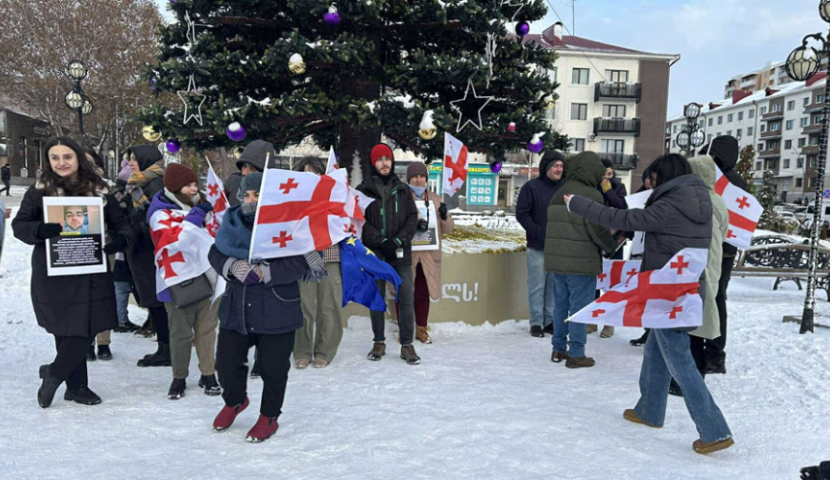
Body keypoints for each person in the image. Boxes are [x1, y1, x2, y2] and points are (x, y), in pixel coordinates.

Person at [565, 153, 734, 454]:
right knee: (656, 351)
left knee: (680, 361)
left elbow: (623, 219)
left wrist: (577, 203)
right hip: (682, 289)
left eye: (652, 179)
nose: (649, 184)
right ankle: (650, 410)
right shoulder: (698, 197)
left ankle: (714, 431)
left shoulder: (671, 204)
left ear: (664, 176)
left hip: (669, 294)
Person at [12, 137, 132, 408]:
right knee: (65, 329)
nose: (61, 163)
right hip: (53, 271)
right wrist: (38, 231)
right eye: (55, 158)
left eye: (67, 156)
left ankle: (54, 374)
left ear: (78, 158)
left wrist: (121, 240)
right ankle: (76, 387)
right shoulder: (39, 190)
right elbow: (20, 225)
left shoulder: (100, 190)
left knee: (86, 328)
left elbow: (122, 223)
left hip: (91, 269)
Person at [209, 172, 316, 443]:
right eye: (246, 195)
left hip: (277, 309)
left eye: (256, 195)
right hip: (237, 309)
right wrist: (232, 266)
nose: (249, 200)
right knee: (225, 362)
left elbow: (302, 261)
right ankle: (235, 401)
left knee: (273, 369)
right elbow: (215, 252)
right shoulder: (230, 222)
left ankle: (269, 416)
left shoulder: (289, 223)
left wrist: (266, 271)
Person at [147, 162, 221, 399]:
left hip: (209, 277)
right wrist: (197, 217)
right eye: (188, 186)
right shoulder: (159, 214)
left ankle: (208, 374)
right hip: (178, 281)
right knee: (180, 333)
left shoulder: (201, 206)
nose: (193, 189)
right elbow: (177, 241)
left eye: (194, 185)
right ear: (175, 189)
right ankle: (179, 377)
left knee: (207, 330)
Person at [544, 152, 617, 368]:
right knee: (579, 309)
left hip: (557, 262)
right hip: (581, 262)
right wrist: (611, 247)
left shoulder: (558, 193)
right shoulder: (591, 196)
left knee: (560, 306)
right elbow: (597, 229)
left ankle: (558, 349)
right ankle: (576, 353)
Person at [665, 155, 729, 397]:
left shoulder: (692, 199)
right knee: (701, 317)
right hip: (712, 264)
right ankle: (692, 375)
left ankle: (688, 379)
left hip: (695, 264)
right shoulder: (719, 201)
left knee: (690, 321)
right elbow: (723, 231)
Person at [356, 144, 420, 364]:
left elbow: (413, 218)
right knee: (377, 298)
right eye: (379, 159)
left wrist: (398, 240)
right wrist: (381, 241)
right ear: (373, 163)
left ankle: (407, 345)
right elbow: (359, 221)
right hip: (375, 253)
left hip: (400, 252)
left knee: (406, 298)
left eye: (387, 158)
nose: (384, 163)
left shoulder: (402, 190)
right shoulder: (362, 190)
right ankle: (379, 341)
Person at [292, 157, 344, 368]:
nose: (310, 178)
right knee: (304, 306)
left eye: (315, 173)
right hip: (304, 258)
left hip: (330, 256)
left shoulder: (334, 196)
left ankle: (325, 350)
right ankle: (302, 350)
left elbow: (345, 223)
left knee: (328, 305)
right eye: (306, 173)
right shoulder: (293, 199)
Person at [396, 162, 454, 344]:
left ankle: (421, 329)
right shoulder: (401, 197)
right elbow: (394, 224)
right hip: (408, 253)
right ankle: (404, 330)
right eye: (415, 176)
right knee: (404, 292)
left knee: (423, 292)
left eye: (422, 176)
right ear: (409, 179)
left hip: (429, 254)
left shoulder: (436, 199)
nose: (419, 180)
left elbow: (448, 229)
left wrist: (444, 216)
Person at [699, 137, 743, 375]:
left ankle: (715, 354)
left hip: (719, 251)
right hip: (723, 250)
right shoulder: (733, 180)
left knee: (715, 301)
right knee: (715, 300)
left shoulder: (728, 182)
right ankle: (714, 352)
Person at [123, 145, 171, 367]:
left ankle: (167, 349)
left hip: (151, 253)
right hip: (145, 251)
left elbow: (157, 218)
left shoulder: (155, 183)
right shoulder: (139, 182)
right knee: (155, 302)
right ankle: (164, 347)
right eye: (129, 159)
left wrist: (133, 223)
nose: (131, 162)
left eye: (134, 159)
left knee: (158, 301)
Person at [516, 150, 565, 338]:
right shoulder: (531, 187)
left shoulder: (565, 188)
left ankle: (550, 321)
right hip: (537, 246)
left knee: (553, 286)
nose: (559, 169)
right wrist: (536, 231)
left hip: (558, 247)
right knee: (537, 285)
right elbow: (522, 213)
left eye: (561, 166)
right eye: (555, 166)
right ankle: (536, 322)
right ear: (546, 167)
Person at [224, 140, 275, 208]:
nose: (245, 172)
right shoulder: (233, 182)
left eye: (252, 169)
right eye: (244, 166)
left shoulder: (272, 193)